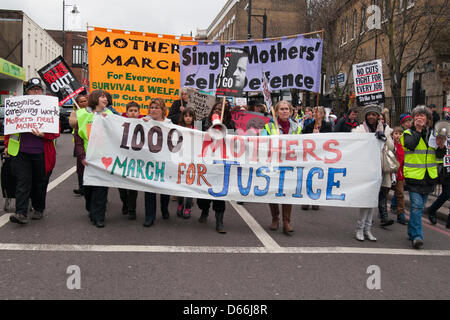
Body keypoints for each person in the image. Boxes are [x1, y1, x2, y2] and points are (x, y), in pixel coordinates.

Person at [7, 78, 59, 225]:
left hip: (42, 153)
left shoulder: (49, 107)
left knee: (40, 183)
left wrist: (44, 135)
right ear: (27, 91)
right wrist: (7, 146)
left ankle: (38, 208)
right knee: (23, 181)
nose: (35, 91)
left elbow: (56, 132)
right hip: (21, 152)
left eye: (38, 89)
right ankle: (21, 213)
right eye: (32, 89)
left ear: (42, 91)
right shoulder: (19, 105)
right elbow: (10, 128)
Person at [401, 105, 446, 248]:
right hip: (414, 177)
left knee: (418, 208)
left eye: (422, 115)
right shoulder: (407, 133)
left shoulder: (433, 134)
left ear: (427, 119)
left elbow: (439, 157)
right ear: (414, 118)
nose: (419, 117)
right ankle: (417, 236)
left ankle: (411, 231)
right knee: (416, 207)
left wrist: (441, 146)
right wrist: (418, 131)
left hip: (429, 178)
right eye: (417, 115)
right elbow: (410, 146)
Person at [352, 104, 394, 241]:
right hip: (365, 169)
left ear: (378, 116)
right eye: (369, 114)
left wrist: (384, 138)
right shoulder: (359, 130)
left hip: (379, 170)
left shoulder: (386, 129)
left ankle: (368, 229)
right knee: (366, 200)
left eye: (374, 114)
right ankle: (359, 228)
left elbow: (392, 147)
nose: (371, 116)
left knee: (373, 201)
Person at [262, 100, 301, 236]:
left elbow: (303, 144)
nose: (284, 111)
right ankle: (275, 218)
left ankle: (286, 222)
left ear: (291, 112)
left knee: (287, 192)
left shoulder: (297, 127)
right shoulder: (268, 127)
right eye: (281, 109)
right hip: (273, 163)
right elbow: (262, 144)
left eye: (287, 109)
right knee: (273, 191)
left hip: (290, 164)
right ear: (276, 112)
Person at [75, 89, 113, 228]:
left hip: (103, 158)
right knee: (88, 190)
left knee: (101, 189)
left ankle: (99, 217)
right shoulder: (82, 114)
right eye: (102, 97)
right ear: (95, 98)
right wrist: (82, 156)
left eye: (106, 98)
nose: (106, 99)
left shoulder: (110, 115)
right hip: (87, 159)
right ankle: (91, 209)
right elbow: (78, 138)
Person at [197, 101, 236, 233]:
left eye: (221, 109)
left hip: (220, 164)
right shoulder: (202, 122)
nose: (218, 111)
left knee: (219, 194)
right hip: (204, 162)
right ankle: (204, 209)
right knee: (202, 196)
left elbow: (234, 142)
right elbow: (193, 135)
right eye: (216, 109)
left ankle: (219, 221)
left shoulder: (230, 124)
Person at [142, 98, 173, 227]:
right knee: (149, 189)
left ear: (163, 110)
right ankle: (150, 216)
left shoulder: (170, 124)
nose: (153, 110)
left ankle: (164, 208)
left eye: (156, 107)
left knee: (165, 188)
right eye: (152, 107)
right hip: (149, 160)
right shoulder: (144, 122)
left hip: (165, 160)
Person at [301, 106, 332, 211]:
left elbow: (331, 139)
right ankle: (306, 200)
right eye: (314, 112)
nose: (316, 114)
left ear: (323, 114)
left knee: (319, 178)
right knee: (308, 178)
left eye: (318, 112)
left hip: (322, 156)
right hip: (310, 155)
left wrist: (320, 136)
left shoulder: (327, 126)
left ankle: (316, 200)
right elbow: (302, 138)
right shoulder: (309, 126)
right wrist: (311, 135)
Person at [118, 101, 143, 220]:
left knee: (133, 185)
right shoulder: (119, 122)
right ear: (126, 112)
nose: (133, 113)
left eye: (135, 111)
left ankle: (132, 209)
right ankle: (125, 202)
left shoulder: (144, 123)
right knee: (121, 184)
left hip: (136, 158)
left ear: (139, 113)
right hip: (122, 157)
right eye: (130, 111)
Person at [425, 116, 450, 229]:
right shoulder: (438, 130)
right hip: (444, 167)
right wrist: (440, 143)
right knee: (447, 193)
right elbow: (433, 149)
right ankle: (432, 209)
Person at [176, 107, 196, 219]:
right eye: (186, 116)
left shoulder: (197, 129)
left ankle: (188, 207)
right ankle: (180, 204)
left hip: (193, 160)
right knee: (180, 184)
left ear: (193, 118)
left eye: (190, 116)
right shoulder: (178, 128)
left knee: (190, 184)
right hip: (180, 159)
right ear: (183, 117)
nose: (188, 118)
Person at [70, 94, 88, 196]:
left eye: (85, 101)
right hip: (78, 141)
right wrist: (81, 118)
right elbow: (72, 123)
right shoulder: (75, 112)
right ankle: (81, 187)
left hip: (89, 142)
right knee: (80, 165)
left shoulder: (92, 111)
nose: (83, 103)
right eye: (81, 101)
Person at [392, 126, 409, 225]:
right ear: (392, 135)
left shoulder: (404, 146)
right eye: (396, 133)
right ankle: (383, 212)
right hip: (389, 172)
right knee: (383, 194)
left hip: (399, 173)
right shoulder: (389, 145)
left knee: (400, 194)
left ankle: (400, 214)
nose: (398, 136)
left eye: (400, 134)